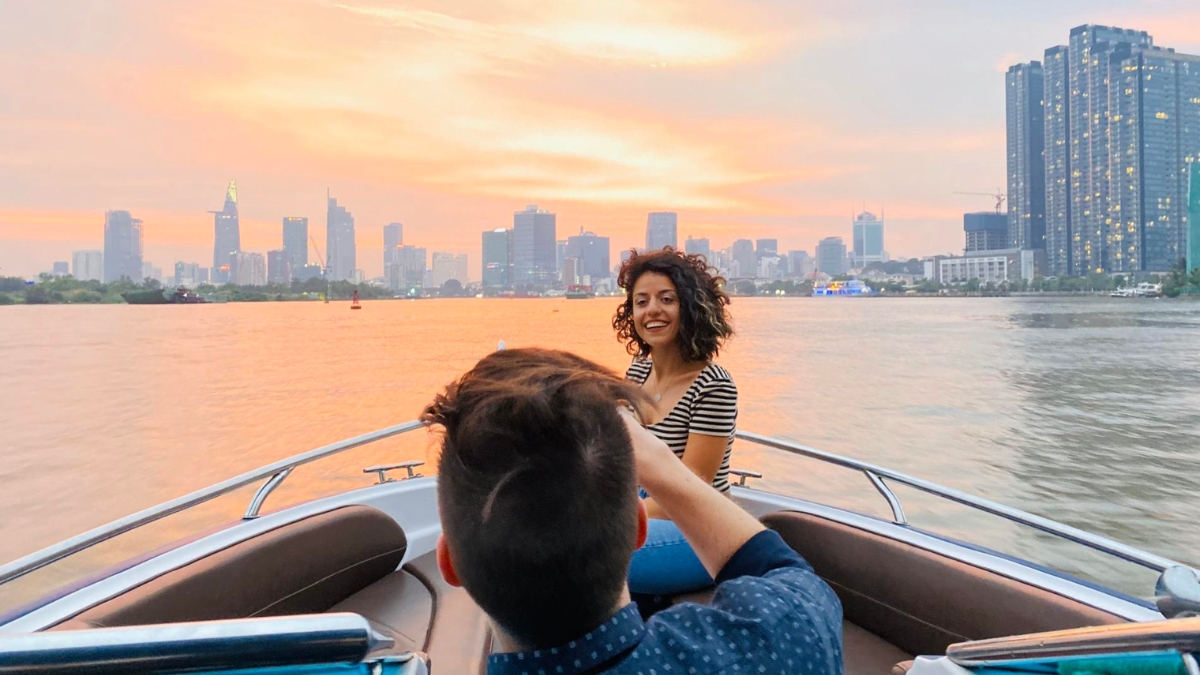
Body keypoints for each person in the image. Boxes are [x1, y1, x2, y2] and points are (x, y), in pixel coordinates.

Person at [421, 348, 843, 675]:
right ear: (638, 528)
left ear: (449, 562)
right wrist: (658, 462)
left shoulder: (711, 383)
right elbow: (788, 577)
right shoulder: (777, 640)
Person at [612, 248, 737, 596]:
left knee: (594, 558)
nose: (652, 309)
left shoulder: (713, 386)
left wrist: (613, 519)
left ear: (690, 307)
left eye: (666, 299)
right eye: (641, 301)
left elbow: (689, 489)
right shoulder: (639, 370)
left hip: (700, 527)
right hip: (645, 502)